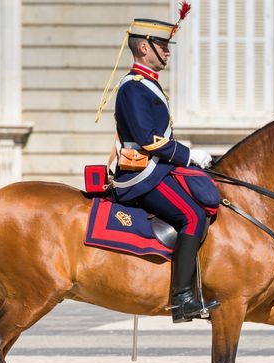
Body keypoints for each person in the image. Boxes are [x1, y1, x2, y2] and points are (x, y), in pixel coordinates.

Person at [100, 13, 220, 323]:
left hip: (156, 170)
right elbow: (148, 140)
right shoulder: (134, 87)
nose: (168, 52)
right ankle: (182, 298)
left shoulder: (148, 85)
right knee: (193, 215)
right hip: (141, 176)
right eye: (162, 46)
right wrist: (189, 155)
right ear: (143, 48)